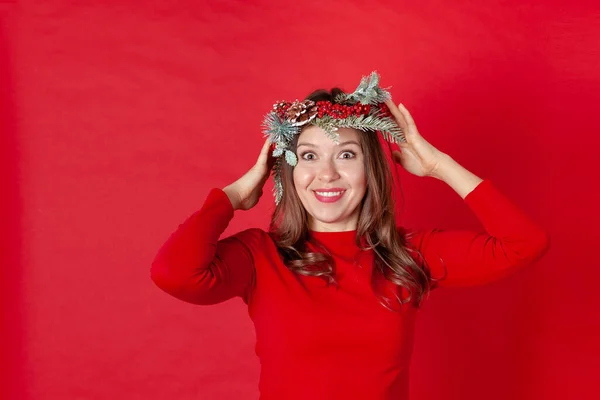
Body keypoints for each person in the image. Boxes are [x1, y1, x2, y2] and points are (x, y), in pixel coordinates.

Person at [150, 72, 550, 399]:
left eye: (345, 154)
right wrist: (234, 195)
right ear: (287, 170)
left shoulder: (410, 254)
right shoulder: (260, 255)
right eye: (308, 156)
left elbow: (524, 245)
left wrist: (439, 165)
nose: (326, 174)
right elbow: (174, 273)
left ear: (369, 169)